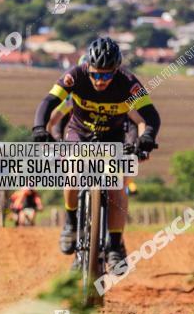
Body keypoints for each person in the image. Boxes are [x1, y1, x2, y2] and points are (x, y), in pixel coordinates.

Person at [32, 37, 160, 272]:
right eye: (95, 74)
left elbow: (149, 116)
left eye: (106, 75)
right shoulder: (76, 75)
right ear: (87, 67)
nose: (100, 80)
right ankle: (71, 223)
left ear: (116, 70)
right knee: (72, 174)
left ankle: (113, 245)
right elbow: (49, 102)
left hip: (113, 139)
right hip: (79, 134)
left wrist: (146, 139)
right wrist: (40, 128)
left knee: (116, 187)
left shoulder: (127, 82)